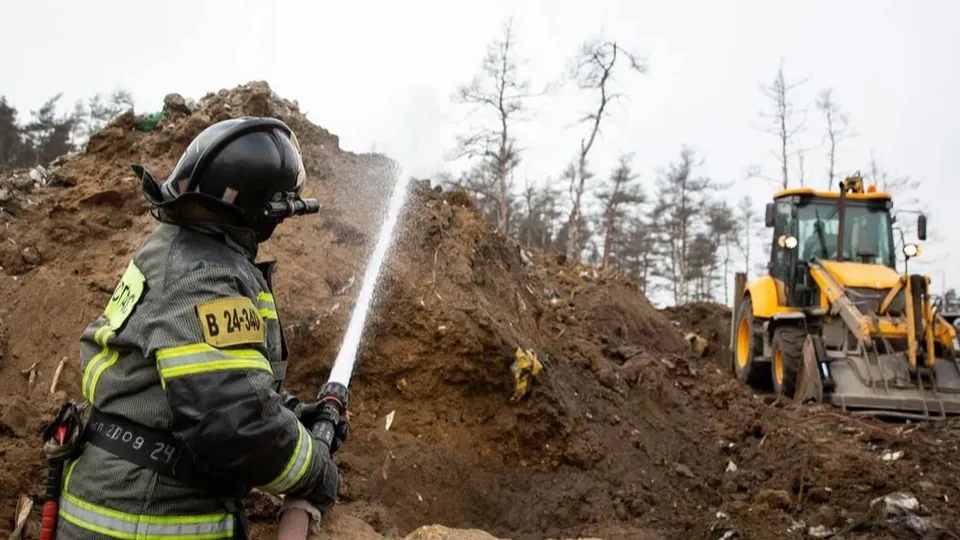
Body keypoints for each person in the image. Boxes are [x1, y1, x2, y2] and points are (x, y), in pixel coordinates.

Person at [53, 117, 349, 540]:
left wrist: (292, 416)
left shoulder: (178, 250)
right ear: (262, 209)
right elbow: (234, 424)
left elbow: (208, 381)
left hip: (116, 499)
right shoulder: (206, 276)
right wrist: (315, 471)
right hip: (146, 520)